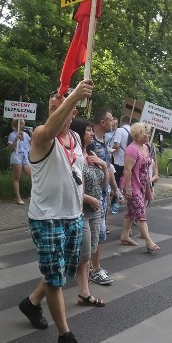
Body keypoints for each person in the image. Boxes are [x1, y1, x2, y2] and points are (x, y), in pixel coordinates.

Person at [17, 81, 94, 343]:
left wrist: (84, 200)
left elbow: (76, 175)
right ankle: (65, 336)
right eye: (52, 106)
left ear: (73, 113)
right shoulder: (40, 135)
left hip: (73, 216)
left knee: (61, 271)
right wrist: (73, 95)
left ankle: (31, 303)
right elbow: (50, 128)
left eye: (62, 106)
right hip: (47, 219)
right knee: (55, 278)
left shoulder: (76, 139)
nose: (56, 109)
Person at [69, 118, 108, 306]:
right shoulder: (74, 156)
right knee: (83, 254)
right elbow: (71, 188)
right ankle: (51, 285)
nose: (92, 133)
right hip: (81, 212)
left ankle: (84, 293)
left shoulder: (92, 154)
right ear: (78, 133)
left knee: (89, 252)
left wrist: (104, 166)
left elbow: (104, 183)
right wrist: (89, 199)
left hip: (96, 212)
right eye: (89, 130)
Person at [119, 123, 159, 252]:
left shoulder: (145, 147)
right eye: (146, 133)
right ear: (139, 134)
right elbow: (127, 170)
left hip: (142, 185)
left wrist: (148, 187)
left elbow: (146, 168)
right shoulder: (132, 149)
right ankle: (149, 241)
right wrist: (129, 188)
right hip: (133, 186)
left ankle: (124, 236)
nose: (148, 135)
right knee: (141, 213)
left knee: (131, 211)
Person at [88, 108, 116, 286]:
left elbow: (108, 167)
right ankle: (95, 269)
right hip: (93, 195)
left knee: (97, 234)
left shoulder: (104, 141)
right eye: (111, 120)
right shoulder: (91, 145)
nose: (114, 122)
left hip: (103, 194)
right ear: (102, 122)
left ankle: (93, 266)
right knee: (96, 234)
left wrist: (115, 188)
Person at [7, 118, 32, 205]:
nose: (23, 125)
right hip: (16, 155)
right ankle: (18, 198)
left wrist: (33, 136)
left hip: (25, 156)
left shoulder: (26, 134)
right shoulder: (12, 135)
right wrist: (16, 140)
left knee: (33, 175)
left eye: (23, 123)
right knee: (17, 177)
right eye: (21, 124)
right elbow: (9, 149)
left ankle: (34, 195)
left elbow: (32, 144)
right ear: (16, 125)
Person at [111, 115, 132, 213]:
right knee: (125, 179)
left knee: (116, 180)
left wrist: (109, 150)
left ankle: (116, 200)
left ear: (121, 121)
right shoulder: (132, 130)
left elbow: (117, 145)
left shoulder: (119, 130)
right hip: (130, 160)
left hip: (119, 160)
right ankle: (124, 199)